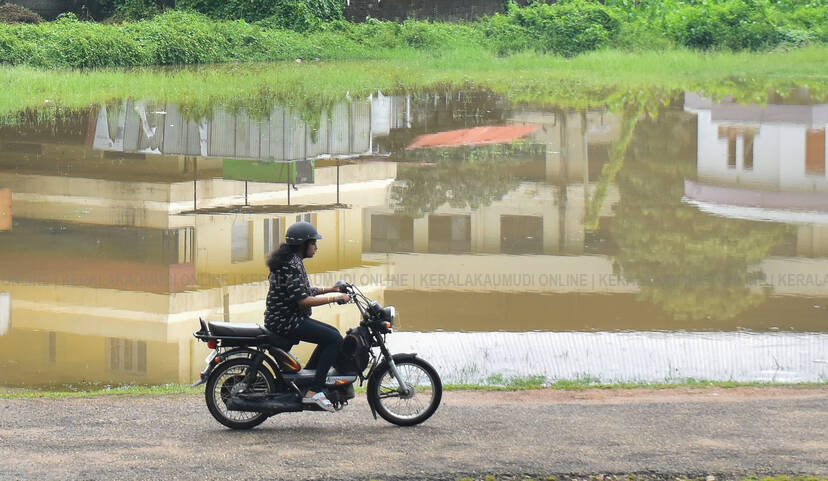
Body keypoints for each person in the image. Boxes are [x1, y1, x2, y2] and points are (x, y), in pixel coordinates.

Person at [264, 221, 349, 412]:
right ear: (303, 244)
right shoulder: (291, 264)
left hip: (285, 318)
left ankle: (306, 382)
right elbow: (303, 300)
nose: (316, 247)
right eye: (313, 243)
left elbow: (302, 290)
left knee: (331, 335)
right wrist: (335, 297)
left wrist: (331, 288)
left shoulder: (292, 261)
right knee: (334, 338)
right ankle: (314, 391)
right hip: (286, 321)